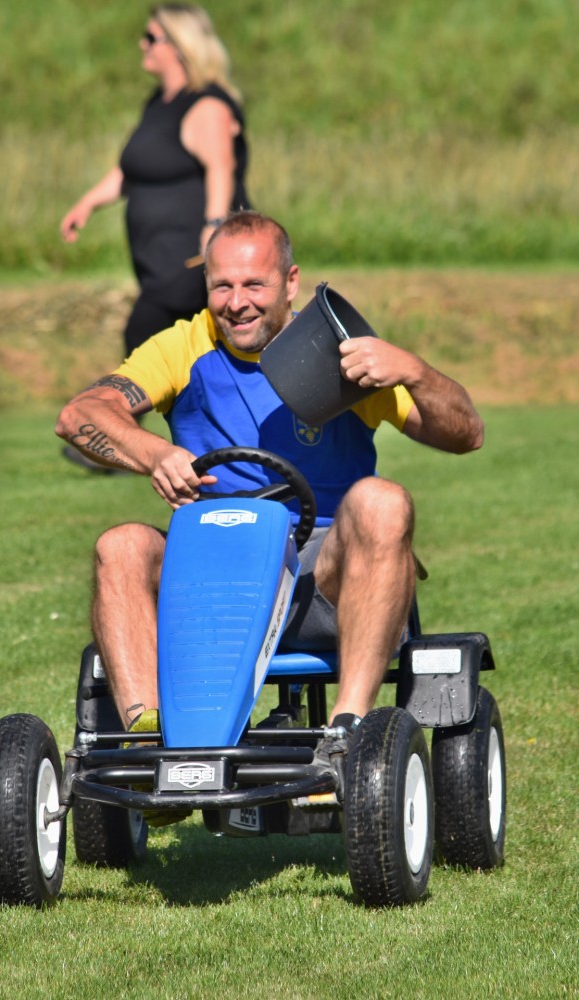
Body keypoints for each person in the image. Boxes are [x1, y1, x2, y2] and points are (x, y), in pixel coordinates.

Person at [55, 211, 485, 778]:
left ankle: (347, 732)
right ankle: (149, 746)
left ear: (290, 283)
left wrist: (416, 373)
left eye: (254, 284)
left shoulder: (339, 353)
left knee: (382, 501)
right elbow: (79, 415)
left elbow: (465, 434)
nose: (237, 303)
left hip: (321, 573)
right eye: (222, 286)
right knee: (121, 544)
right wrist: (154, 454)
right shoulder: (184, 346)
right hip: (211, 576)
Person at [60, 4, 250, 356]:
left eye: (150, 37)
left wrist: (213, 228)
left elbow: (221, 168)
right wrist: (88, 203)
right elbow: (133, 169)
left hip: (191, 259)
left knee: (143, 338)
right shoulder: (158, 104)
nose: (142, 44)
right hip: (160, 263)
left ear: (179, 45)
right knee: (170, 352)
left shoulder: (207, 104)